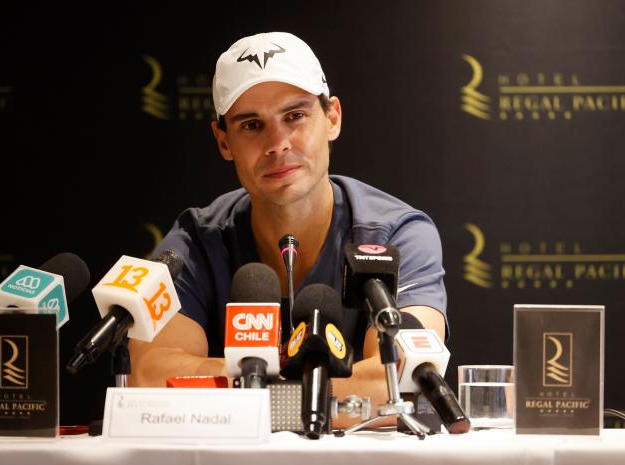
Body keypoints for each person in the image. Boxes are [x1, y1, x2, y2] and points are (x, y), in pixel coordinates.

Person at [128, 32, 447, 427]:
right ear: (223, 141)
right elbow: (151, 376)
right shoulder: (195, 242)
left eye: (295, 116)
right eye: (251, 125)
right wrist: (313, 394)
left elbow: (403, 381)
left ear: (332, 118)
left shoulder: (398, 235)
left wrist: (251, 389)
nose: (277, 143)